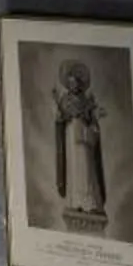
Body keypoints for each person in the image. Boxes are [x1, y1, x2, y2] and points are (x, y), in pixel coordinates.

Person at [54, 59, 106, 222]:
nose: (73, 86)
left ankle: (90, 204)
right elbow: (60, 119)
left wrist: (95, 116)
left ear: (81, 84)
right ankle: (75, 202)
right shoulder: (64, 101)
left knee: (85, 168)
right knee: (74, 169)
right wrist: (60, 115)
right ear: (67, 85)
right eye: (70, 83)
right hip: (70, 136)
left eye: (76, 83)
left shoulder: (87, 101)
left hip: (83, 138)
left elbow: (92, 119)